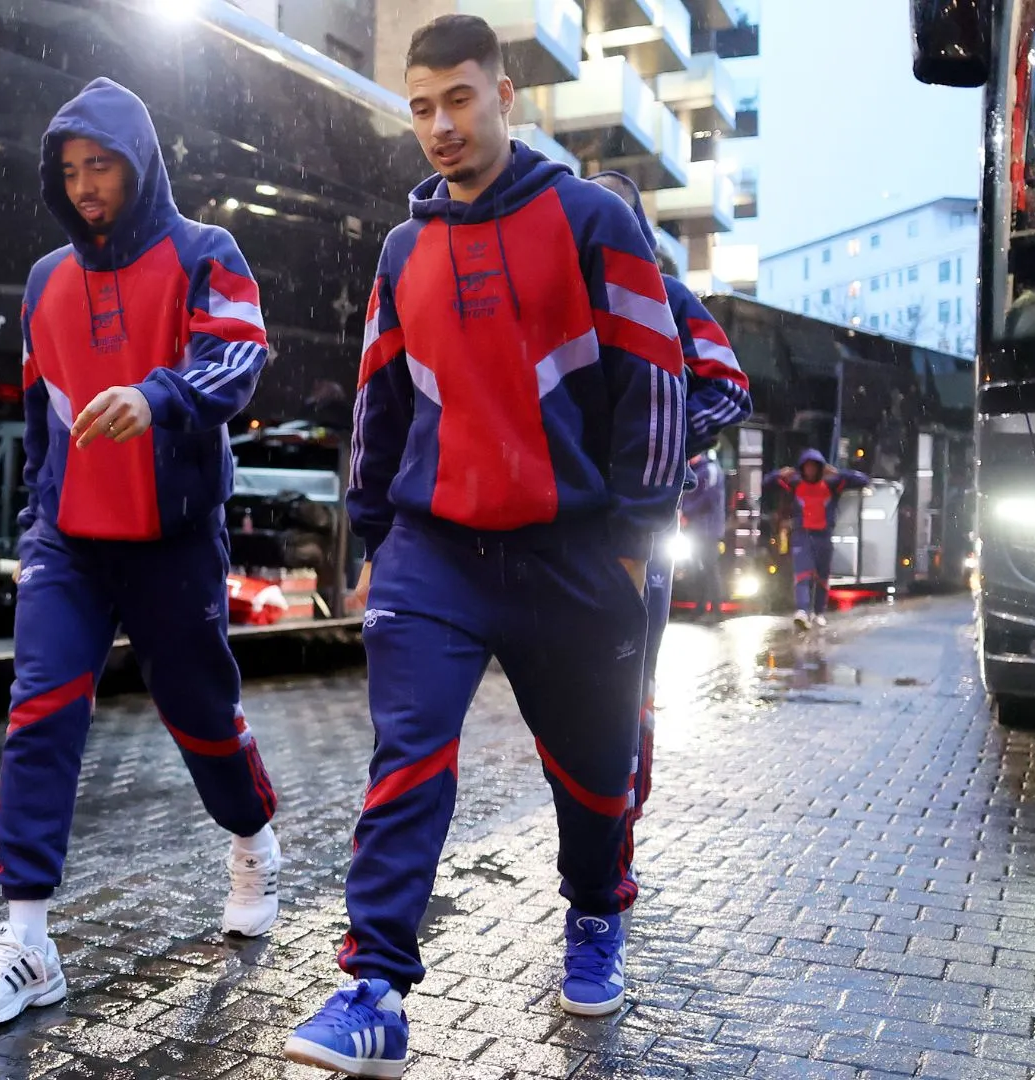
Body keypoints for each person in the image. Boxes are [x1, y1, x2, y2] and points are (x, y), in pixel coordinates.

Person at [284, 16, 687, 1077]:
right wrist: (371, 534)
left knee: (594, 777)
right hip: (434, 551)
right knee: (407, 759)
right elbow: (378, 397)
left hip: (574, 555)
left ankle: (595, 912)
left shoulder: (595, 219)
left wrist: (635, 542)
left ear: (505, 95)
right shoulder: (403, 248)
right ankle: (373, 985)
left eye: (458, 100)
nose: (440, 126)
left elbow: (657, 378)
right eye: (421, 108)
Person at [0, 78, 282, 1027]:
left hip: (172, 539)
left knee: (201, 712)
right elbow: (38, 425)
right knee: (39, 711)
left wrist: (157, 396)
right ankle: (26, 940)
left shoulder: (205, 253)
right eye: (71, 170)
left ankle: (253, 836)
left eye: (102, 165)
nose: (87, 185)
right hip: (68, 542)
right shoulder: (45, 283)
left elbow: (239, 354)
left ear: (139, 163)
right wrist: (32, 529)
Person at [586, 170, 750, 831]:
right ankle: (590, 832)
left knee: (628, 687)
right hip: (561, 527)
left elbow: (731, 390)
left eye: (613, 215)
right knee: (570, 694)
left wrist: (658, 439)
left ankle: (619, 827)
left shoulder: (672, 300)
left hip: (642, 531)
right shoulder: (555, 302)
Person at [768, 449, 871, 630]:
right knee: (802, 574)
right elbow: (768, 481)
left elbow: (863, 479)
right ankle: (802, 611)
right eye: (806, 467)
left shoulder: (832, 483)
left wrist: (838, 472)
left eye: (814, 467)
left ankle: (818, 612)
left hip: (823, 536)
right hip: (802, 534)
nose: (810, 471)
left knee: (822, 578)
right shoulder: (795, 483)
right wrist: (780, 473)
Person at [681, 449, 730, 619]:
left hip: (708, 528)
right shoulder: (697, 470)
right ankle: (700, 607)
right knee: (697, 568)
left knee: (709, 567)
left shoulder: (709, 469)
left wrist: (685, 513)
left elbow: (709, 497)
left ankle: (716, 610)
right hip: (696, 528)